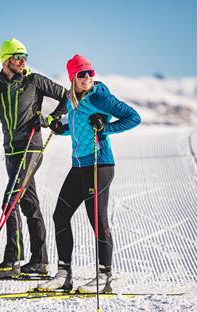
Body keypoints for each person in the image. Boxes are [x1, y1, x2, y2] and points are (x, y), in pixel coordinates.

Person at [37, 54, 141, 293]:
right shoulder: (73, 99)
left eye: (90, 73)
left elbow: (133, 117)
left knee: (97, 220)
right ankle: (64, 275)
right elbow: (78, 127)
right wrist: (60, 128)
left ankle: (105, 277)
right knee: (60, 215)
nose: (87, 78)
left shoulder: (99, 96)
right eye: (82, 74)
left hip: (100, 163)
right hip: (79, 165)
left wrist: (106, 127)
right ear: (72, 76)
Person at [0, 38, 68, 278]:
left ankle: (12, 261)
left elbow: (68, 97)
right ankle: (39, 261)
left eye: (24, 56)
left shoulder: (34, 80)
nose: (22, 60)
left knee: (10, 201)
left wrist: (50, 119)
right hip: (12, 152)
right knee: (29, 204)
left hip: (31, 148)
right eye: (18, 56)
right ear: (6, 59)